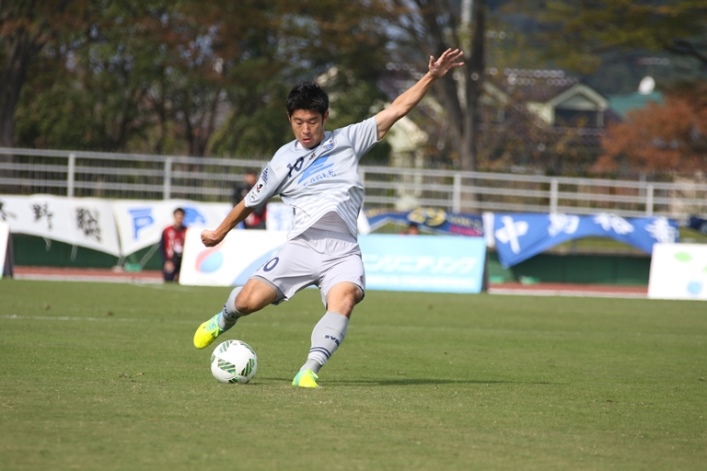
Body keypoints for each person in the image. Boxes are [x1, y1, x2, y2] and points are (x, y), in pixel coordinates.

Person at [193, 48, 464, 388]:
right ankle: (223, 318)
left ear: (325, 117)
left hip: (343, 250)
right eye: (298, 122)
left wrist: (431, 77)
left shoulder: (348, 140)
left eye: (312, 121)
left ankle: (308, 370)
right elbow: (250, 201)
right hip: (301, 247)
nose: (305, 130)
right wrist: (220, 232)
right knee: (248, 302)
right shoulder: (282, 160)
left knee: (345, 299)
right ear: (290, 119)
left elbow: (397, 109)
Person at [160, 207, 187, 282]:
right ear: (174, 217)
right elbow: (162, 247)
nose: (179, 219)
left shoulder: (187, 231)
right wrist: (166, 261)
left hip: (183, 260)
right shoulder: (167, 230)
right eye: (178, 216)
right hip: (171, 260)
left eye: (181, 217)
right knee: (169, 278)